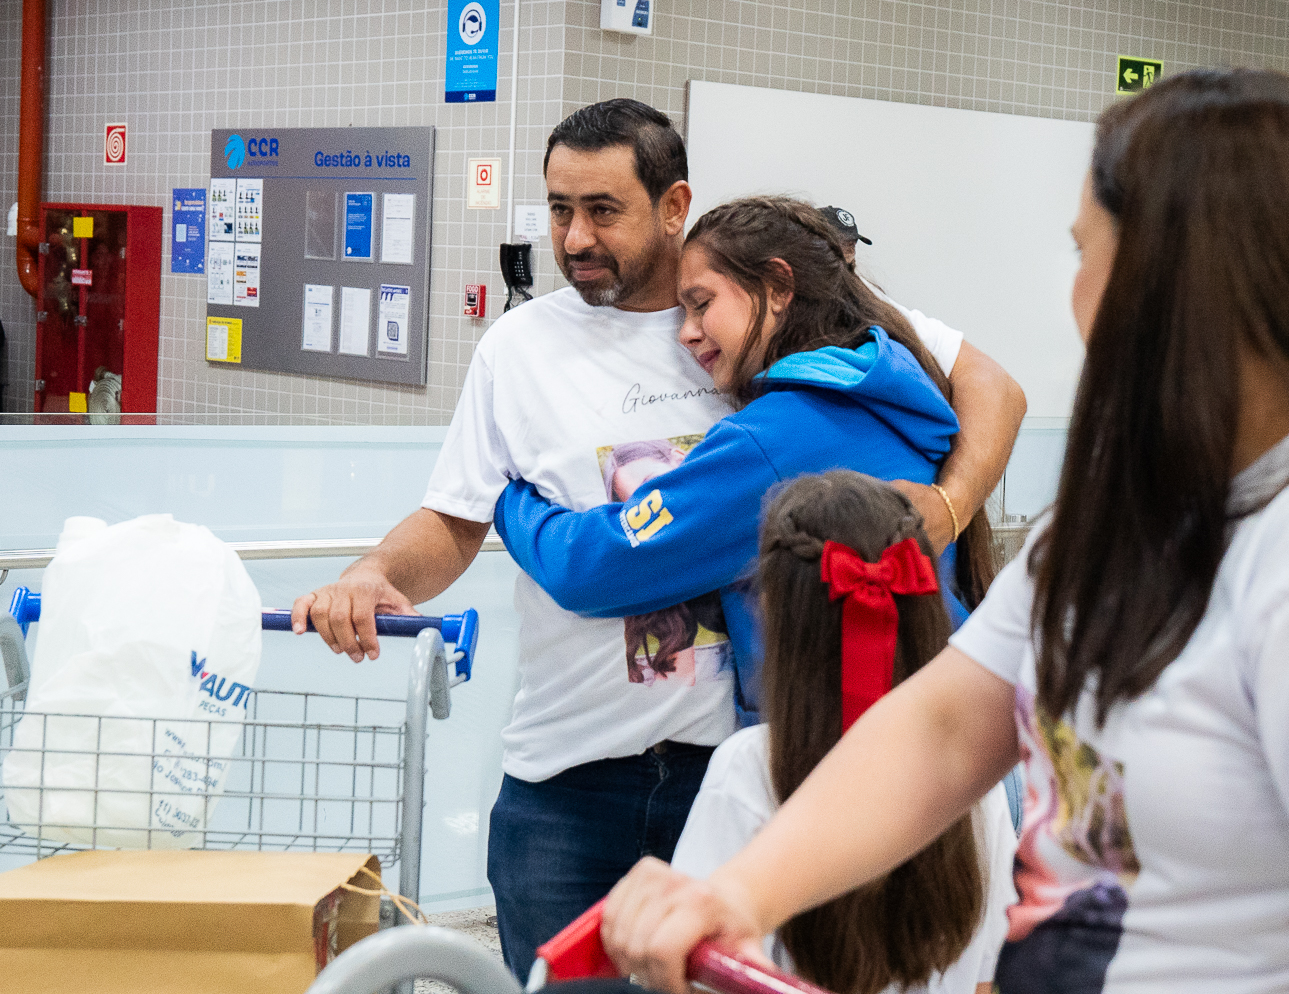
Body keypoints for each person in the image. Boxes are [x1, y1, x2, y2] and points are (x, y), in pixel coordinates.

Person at [597, 68, 1289, 994]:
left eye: (1080, 252)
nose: (1073, 297)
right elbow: (942, 729)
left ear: (1163, 276)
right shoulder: (1126, 520)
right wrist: (734, 891)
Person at [290, 99, 1027, 974]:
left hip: (762, 762)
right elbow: (455, 517)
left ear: (674, 204)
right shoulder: (522, 349)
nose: (573, 239)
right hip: (575, 778)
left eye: (603, 210)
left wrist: (944, 508)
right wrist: (378, 570)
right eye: (559, 209)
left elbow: (993, 386)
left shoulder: (786, 331)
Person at [492, 197, 999, 725]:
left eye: (701, 304)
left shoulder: (778, 439)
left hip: (840, 749)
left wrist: (508, 499)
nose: (685, 332)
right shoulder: (891, 382)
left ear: (779, 288)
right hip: (939, 725)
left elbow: (593, 567)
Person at [668, 470, 1016, 994]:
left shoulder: (749, 769)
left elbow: (694, 967)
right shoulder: (970, 780)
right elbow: (988, 978)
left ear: (772, 611)